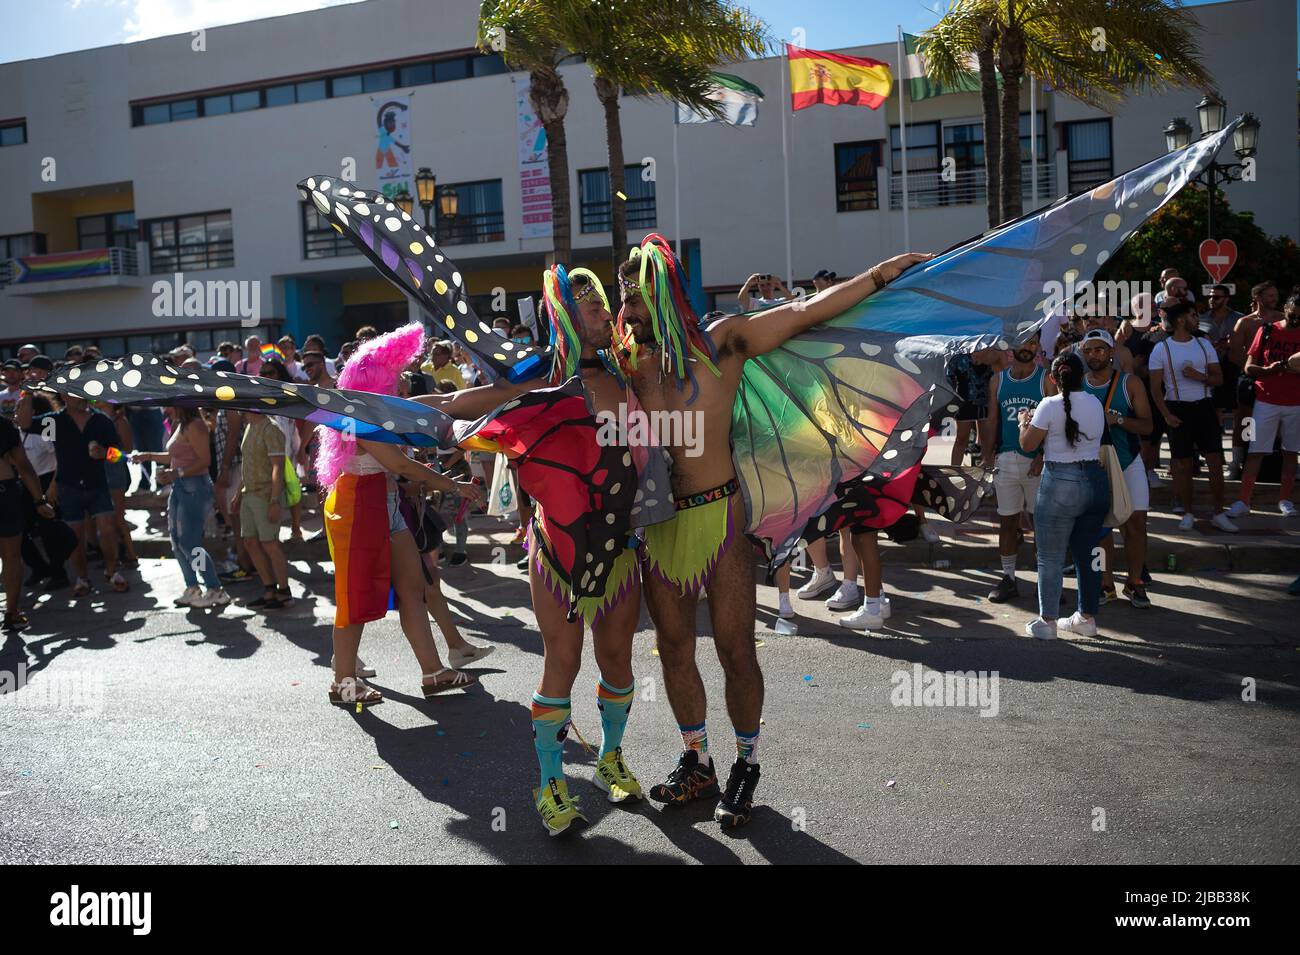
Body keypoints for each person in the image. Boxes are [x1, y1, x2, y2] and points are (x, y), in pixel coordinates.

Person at [618, 236, 932, 828]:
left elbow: (805, 313)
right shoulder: (628, 362)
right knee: (673, 648)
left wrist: (880, 272)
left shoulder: (725, 341)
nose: (629, 312)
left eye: (637, 299)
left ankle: (744, 761)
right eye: (623, 301)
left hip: (722, 519)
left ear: (665, 295)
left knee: (736, 648)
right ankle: (697, 759)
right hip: (660, 526)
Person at [316, 324, 483, 705]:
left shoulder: (374, 411)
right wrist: (454, 485)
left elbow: (434, 417)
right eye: (393, 378)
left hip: (383, 504)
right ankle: (343, 682)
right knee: (354, 596)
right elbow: (399, 465)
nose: (399, 384)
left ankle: (433, 672)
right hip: (358, 506)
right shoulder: (361, 415)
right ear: (377, 383)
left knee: (413, 590)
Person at [1017, 352, 1108, 639]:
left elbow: (1027, 445)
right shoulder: (1095, 402)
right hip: (1094, 481)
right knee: (1087, 554)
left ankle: (1048, 622)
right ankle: (1087, 618)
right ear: (1083, 377)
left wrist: (1023, 423)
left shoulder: (1048, 405)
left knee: (1050, 556)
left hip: (1060, 481)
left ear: (1053, 378)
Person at [16, 392, 128, 596]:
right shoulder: (55, 421)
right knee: (76, 537)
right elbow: (24, 424)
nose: (81, 397)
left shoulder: (100, 420)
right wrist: (29, 394)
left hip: (98, 485)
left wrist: (105, 453)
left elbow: (122, 455)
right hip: (69, 487)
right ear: (64, 398)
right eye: (74, 393)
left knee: (108, 529)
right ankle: (82, 578)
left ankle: (112, 571)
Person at [1148, 301, 1237, 532]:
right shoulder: (1161, 348)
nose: (1197, 319)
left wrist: (1199, 376)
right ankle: (1187, 512)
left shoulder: (1204, 344)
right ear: (1180, 320)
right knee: (1182, 465)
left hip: (1204, 406)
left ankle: (1219, 512)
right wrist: (1166, 415)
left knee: (1215, 462)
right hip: (1177, 408)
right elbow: (1155, 388)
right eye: (1193, 315)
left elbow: (1218, 379)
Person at [1080, 329, 1155, 608]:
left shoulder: (1129, 382)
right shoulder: (1077, 385)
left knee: (1135, 524)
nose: (1093, 355)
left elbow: (1147, 426)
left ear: (1112, 352)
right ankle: (1105, 583)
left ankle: (1135, 582)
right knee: (1101, 528)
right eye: (1088, 351)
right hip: (1093, 465)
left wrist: (1118, 420)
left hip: (1127, 461)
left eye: (1100, 349)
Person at [134, 407, 231, 608]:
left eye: (167, 402)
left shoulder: (195, 425)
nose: (163, 407)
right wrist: (147, 456)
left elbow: (205, 460)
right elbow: (173, 456)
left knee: (189, 542)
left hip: (195, 487)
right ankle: (192, 587)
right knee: (177, 542)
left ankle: (214, 588)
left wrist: (175, 473)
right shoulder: (180, 423)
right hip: (181, 487)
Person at [984, 331, 1054, 603]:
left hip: (1036, 461)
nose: (1027, 347)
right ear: (1012, 345)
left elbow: (1054, 421)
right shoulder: (998, 380)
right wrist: (987, 454)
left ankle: (1044, 581)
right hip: (1006, 458)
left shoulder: (1045, 379)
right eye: (1022, 342)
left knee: (1041, 524)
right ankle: (1008, 578)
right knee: (1007, 521)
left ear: (1038, 346)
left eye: (1032, 342)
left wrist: (1044, 455)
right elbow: (992, 420)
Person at [1229, 287, 1300, 518]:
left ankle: (1285, 500)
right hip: (1265, 400)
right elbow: (1249, 367)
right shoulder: (1267, 330)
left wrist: (1292, 368)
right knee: (1255, 451)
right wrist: (1269, 370)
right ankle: (1243, 501)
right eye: (1293, 314)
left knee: (1291, 452)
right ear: (1286, 310)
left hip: (1295, 403)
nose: (1295, 319)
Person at [0, 413, 57, 631]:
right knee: (11, 555)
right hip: (4, 491)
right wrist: (39, 500)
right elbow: (23, 466)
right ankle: (11, 612)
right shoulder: (4, 425)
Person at [238, 409, 293, 610]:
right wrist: (238, 494)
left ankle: (284, 591)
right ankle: (269, 589)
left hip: (265, 495)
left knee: (269, 543)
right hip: (248, 493)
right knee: (250, 542)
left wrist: (275, 501)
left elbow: (277, 467)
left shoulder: (271, 429)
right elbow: (247, 464)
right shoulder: (250, 426)